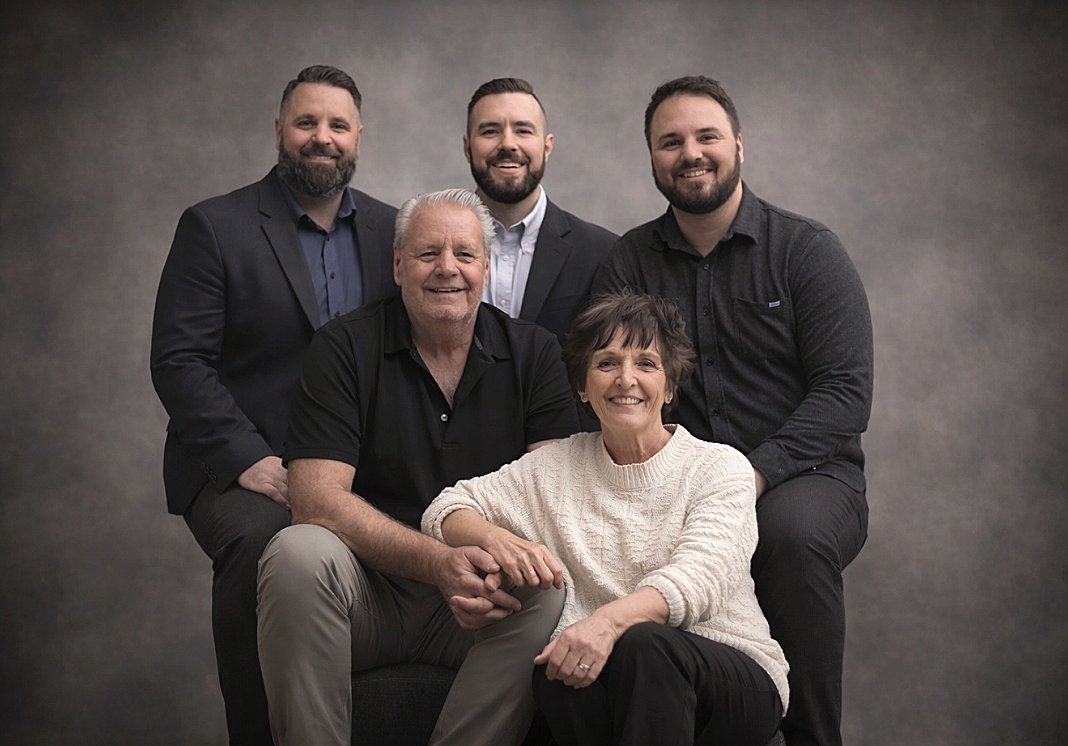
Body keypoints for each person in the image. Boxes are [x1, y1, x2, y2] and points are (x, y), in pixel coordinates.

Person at [592, 76, 873, 746]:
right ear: (652, 158)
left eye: (706, 137)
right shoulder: (629, 261)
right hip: (674, 484)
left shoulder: (806, 250)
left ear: (738, 145)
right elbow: (604, 382)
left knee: (786, 536)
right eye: (671, 142)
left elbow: (844, 391)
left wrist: (753, 474)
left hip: (806, 478)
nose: (690, 153)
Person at [255, 188, 581, 746]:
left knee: (548, 588)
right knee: (296, 551)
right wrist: (438, 563)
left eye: (464, 254)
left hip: (480, 600)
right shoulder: (342, 347)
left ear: (486, 266)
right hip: (364, 594)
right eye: (428, 253)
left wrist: (473, 568)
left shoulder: (536, 353)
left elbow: (551, 502)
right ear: (398, 265)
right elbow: (314, 500)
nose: (447, 268)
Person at [150, 65, 398, 745]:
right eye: (306, 122)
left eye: (337, 125)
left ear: (358, 136)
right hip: (241, 468)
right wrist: (249, 460)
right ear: (279, 130)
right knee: (269, 544)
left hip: (353, 467)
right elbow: (178, 361)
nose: (322, 137)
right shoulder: (214, 225)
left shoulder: (392, 230)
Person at [422, 292, 788, 746]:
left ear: (669, 388)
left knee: (643, 644)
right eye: (607, 363)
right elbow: (445, 508)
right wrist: (498, 540)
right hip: (617, 674)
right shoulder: (554, 467)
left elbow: (699, 580)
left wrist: (606, 624)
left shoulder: (719, 467)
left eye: (646, 364)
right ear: (583, 386)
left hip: (731, 675)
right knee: (557, 674)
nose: (626, 379)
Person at [464, 77, 616, 344]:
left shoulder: (601, 252)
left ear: (547, 147)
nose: (508, 144)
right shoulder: (430, 250)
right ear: (467, 148)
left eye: (523, 131)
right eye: (490, 131)